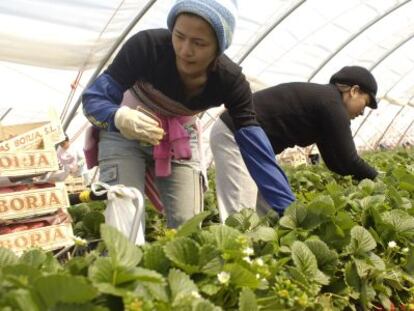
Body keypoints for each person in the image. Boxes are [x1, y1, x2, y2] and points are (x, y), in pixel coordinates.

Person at [82, 0, 295, 228]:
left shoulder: (230, 81)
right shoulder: (146, 47)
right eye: (179, 36)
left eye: (199, 43)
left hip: (179, 140)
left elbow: (256, 150)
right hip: (123, 134)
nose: (185, 50)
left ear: (218, 47)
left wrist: (289, 211)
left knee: (188, 225)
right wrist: (119, 117)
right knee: (124, 221)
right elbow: (94, 97)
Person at [210, 65, 379, 222]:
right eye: (365, 104)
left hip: (251, 144)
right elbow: (349, 159)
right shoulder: (332, 104)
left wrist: (365, 180)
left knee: (270, 210)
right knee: (240, 212)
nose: (362, 113)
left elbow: (337, 163)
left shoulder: (325, 104)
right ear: (354, 91)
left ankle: (258, 249)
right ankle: (237, 252)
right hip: (235, 134)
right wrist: (377, 177)